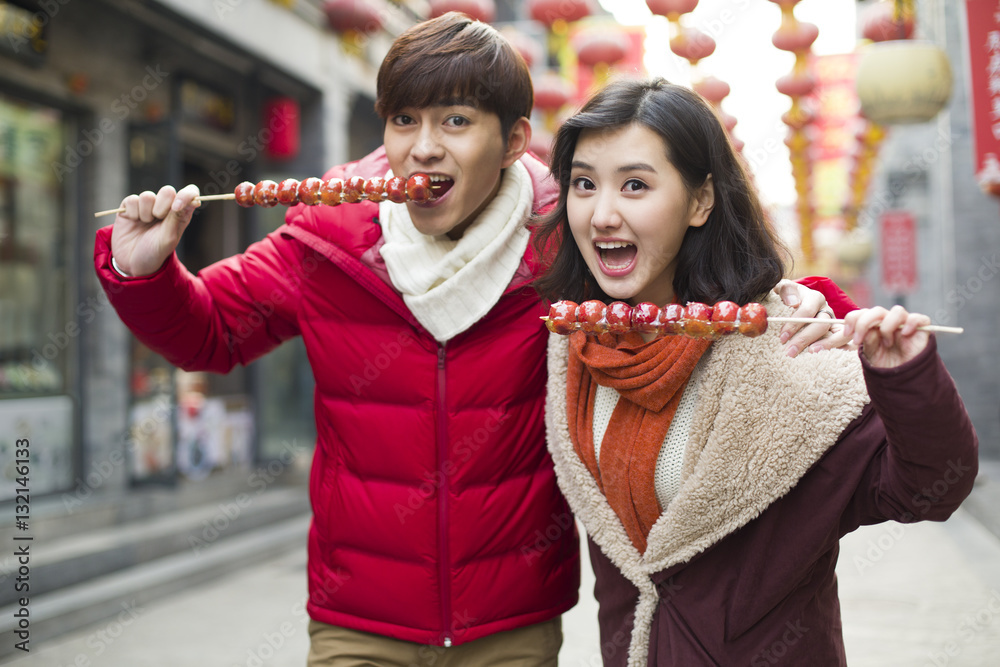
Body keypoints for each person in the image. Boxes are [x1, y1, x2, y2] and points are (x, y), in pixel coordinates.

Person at [94, 15, 844, 666]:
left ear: (515, 139)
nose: (423, 148)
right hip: (360, 619)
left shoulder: (568, 249)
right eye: (404, 121)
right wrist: (143, 271)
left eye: (454, 122)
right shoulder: (323, 243)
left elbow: (694, 290)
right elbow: (212, 334)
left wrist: (815, 303)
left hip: (510, 624)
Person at [532, 76, 979, 666]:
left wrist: (903, 376)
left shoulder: (788, 349)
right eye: (584, 184)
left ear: (701, 200)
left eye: (636, 185)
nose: (602, 213)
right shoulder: (576, 352)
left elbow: (929, 488)